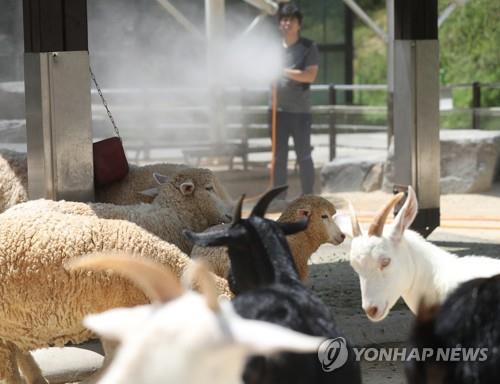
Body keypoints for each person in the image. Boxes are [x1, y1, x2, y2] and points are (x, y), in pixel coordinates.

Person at [270, 3, 319, 199]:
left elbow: (309, 76)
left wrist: (282, 71)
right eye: (283, 19)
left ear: (299, 24)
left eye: (291, 20)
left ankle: (308, 195)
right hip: (276, 111)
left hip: (300, 112)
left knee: (304, 156)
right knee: (278, 157)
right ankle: (278, 198)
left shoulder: (308, 47)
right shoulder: (272, 48)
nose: (287, 23)